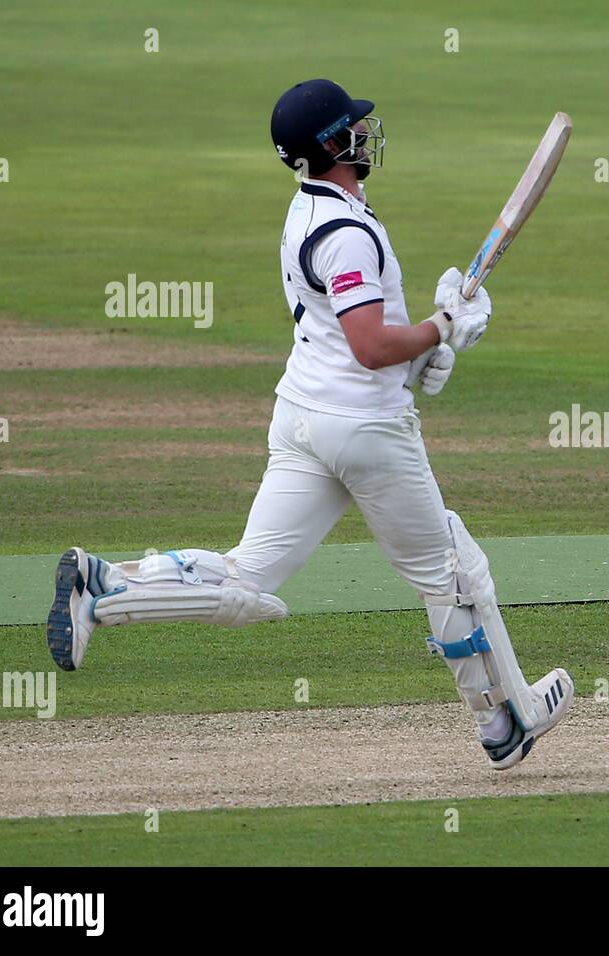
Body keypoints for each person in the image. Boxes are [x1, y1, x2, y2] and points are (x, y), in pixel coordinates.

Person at [44, 79, 573, 769]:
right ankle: (507, 721)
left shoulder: (308, 210)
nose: (363, 132)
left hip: (304, 417)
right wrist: (441, 327)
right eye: (352, 126)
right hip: (366, 433)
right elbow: (369, 346)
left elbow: (351, 342)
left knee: (246, 577)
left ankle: (105, 588)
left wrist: (426, 356)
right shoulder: (347, 233)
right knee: (451, 571)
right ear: (333, 144)